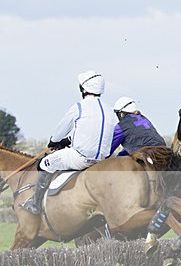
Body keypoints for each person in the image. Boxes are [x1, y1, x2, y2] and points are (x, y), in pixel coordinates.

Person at [23, 70, 115, 215]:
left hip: (80, 158)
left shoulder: (79, 107)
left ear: (83, 89)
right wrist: (69, 140)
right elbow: (93, 134)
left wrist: (54, 142)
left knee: (44, 163)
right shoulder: (110, 111)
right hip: (103, 160)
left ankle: (35, 204)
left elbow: (60, 130)